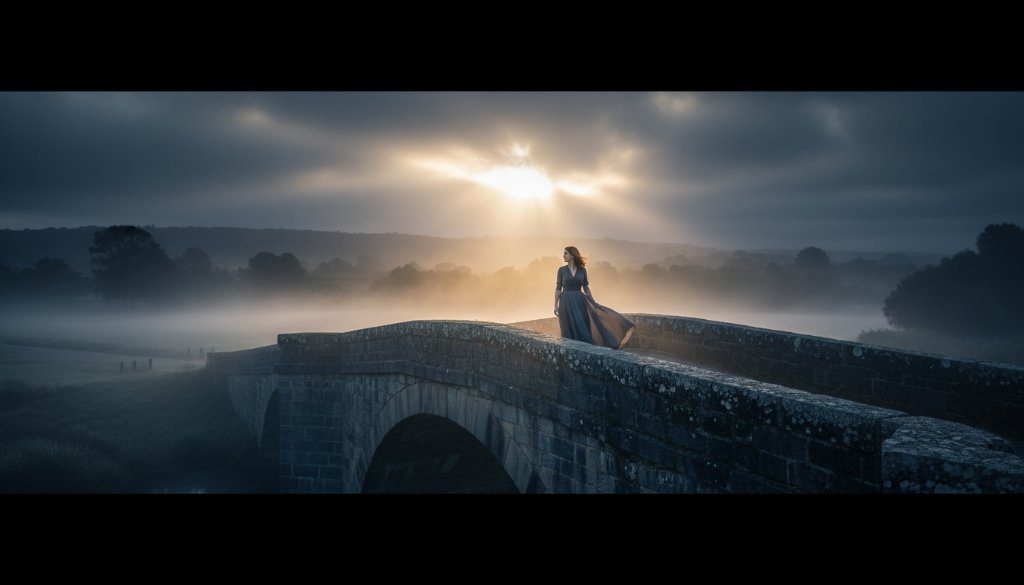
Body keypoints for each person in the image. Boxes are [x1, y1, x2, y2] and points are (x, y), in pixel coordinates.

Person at [553, 246, 635, 349]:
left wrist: (593, 302)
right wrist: (555, 305)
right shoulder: (561, 270)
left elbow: (586, 288)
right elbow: (558, 288)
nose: (563, 255)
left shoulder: (582, 271)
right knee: (567, 330)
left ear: (572, 255)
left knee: (582, 328)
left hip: (579, 302)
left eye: (565, 253)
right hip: (565, 302)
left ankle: (621, 333)